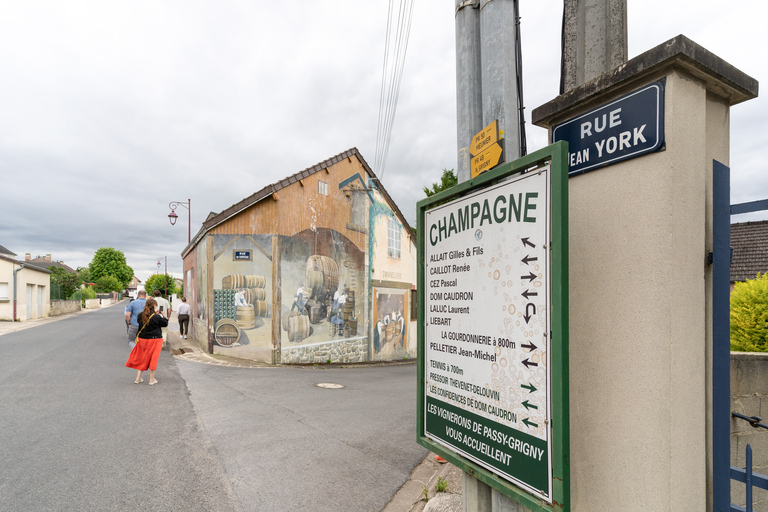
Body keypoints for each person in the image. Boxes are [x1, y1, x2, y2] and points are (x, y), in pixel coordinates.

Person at [126, 298, 168, 385]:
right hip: (155, 340)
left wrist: (154, 315)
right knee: (153, 359)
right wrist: (163, 315)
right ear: (154, 306)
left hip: (142, 340)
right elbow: (165, 323)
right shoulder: (157, 317)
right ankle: (151, 380)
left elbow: (144, 321)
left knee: (143, 358)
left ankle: (138, 378)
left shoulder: (140, 315)